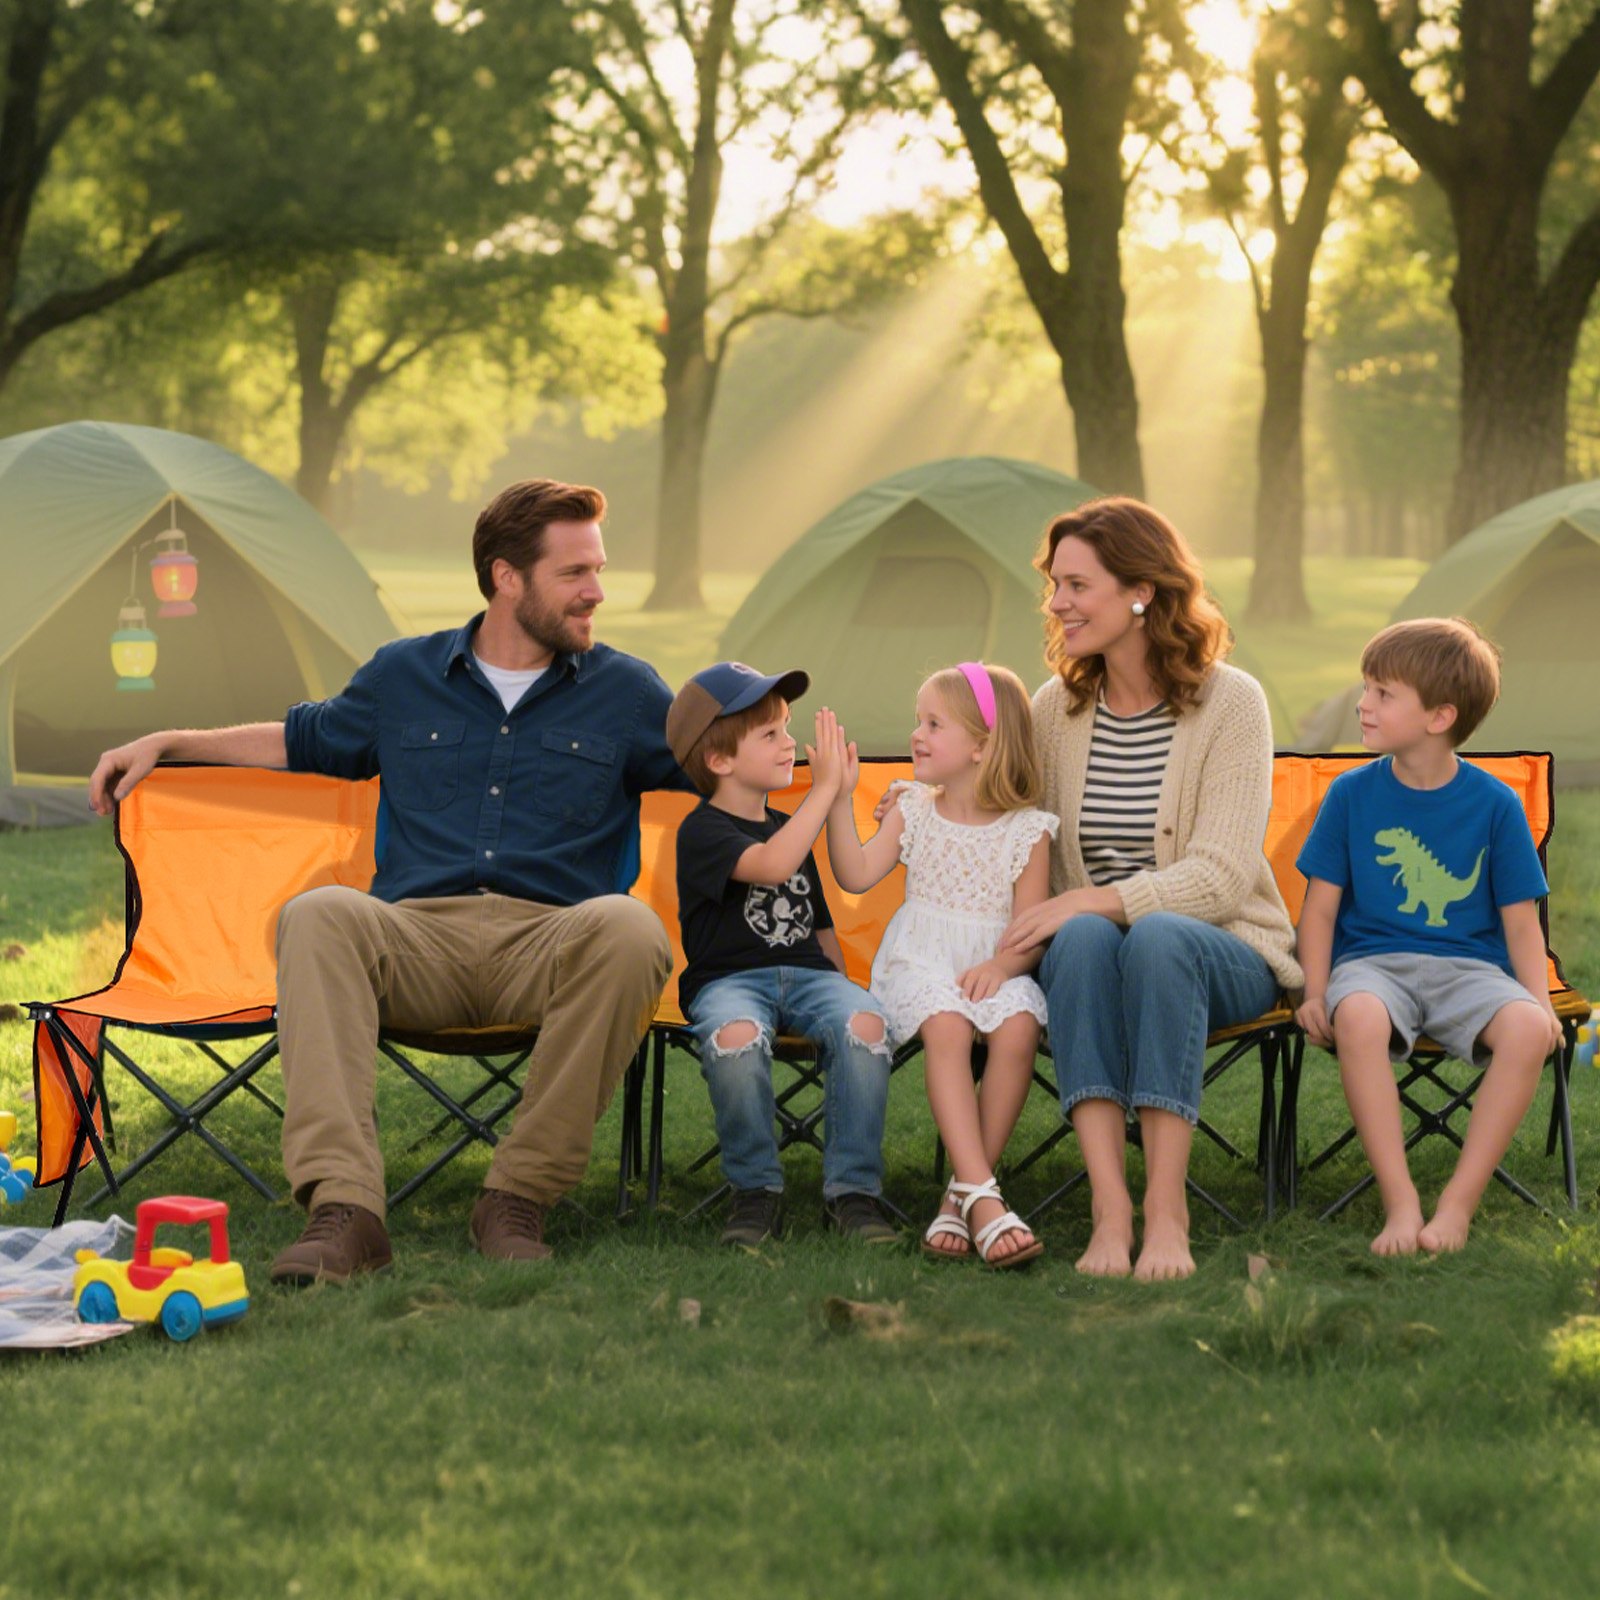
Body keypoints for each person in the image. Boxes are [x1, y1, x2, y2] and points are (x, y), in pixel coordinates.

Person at [88, 479, 687, 1283]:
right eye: (575, 573)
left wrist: (822, 773)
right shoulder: (405, 676)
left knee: (632, 927)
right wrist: (169, 739)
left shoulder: (629, 691)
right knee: (320, 912)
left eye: (598, 570)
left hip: (552, 947)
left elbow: (725, 763)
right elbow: (304, 738)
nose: (597, 593)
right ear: (508, 577)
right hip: (416, 942)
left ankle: (516, 1197)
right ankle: (345, 1211)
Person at [997, 497, 1302, 1282]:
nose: (1057, 604)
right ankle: (1110, 1208)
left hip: (1222, 949)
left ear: (1141, 592)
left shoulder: (1232, 702)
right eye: (1054, 585)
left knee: (1154, 934)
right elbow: (1015, 830)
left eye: (1076, 584)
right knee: (1092, 938)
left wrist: (1088, 901)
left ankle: (1167, 1210)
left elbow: (1223, 877)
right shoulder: (1052, 710)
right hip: (1092, 959)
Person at [1294, 617, 1560, 1255]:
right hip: (1372, 967)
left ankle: (1457, 1206)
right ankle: (1400, 1201)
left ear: (1439, 717)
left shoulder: (1496, 804)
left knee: (1526, 1029)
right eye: (1366, 687)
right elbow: (1321, 912)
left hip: (1470, 970)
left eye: (1383, 693)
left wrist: (1541, 1005)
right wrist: (1314, 989)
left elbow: (1522, 923)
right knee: (1356, 1016)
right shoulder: (1350, 795)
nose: (1363, 703)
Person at [826, 663, 1057, 1269]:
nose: (917, 735)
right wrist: (837, 798)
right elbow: (854, 875)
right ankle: (986, 1199)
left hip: (994, 965)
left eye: (934, 723)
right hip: (920, 963)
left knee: (1018, 1027)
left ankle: (959, 1196)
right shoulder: (913, 808)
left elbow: (1029, 930)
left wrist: (1004, 967)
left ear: (982, 745)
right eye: (917, 721)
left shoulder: (1028, 831)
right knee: (949, 1025)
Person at [667, 665, 897, 1248]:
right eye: (769, 734)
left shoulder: (788, 825)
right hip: (730, 982)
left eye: (787, 728)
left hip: (809, 976)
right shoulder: (703, 832)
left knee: (866, 1024)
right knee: (737, 1039)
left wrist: (845, 998)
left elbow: (820, 928)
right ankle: (756, 1193)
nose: (790, 743)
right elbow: (770, 866)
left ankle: (853, 1195)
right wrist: (824, 791)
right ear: (719, 760)